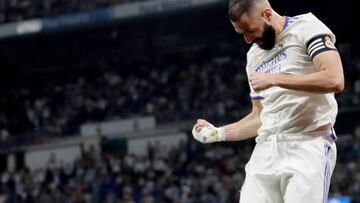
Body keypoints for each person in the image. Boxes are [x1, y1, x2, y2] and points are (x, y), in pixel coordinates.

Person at [192, 0, 344, 202]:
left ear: (267, 14)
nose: (247, 39)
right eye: (242, 33)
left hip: (308, 144)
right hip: (266, 148)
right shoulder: (254, 57)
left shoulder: (306, 27)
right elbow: (259, 118)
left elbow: (334, 79)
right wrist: (217, 133)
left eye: (249, 30)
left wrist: (275, 79)